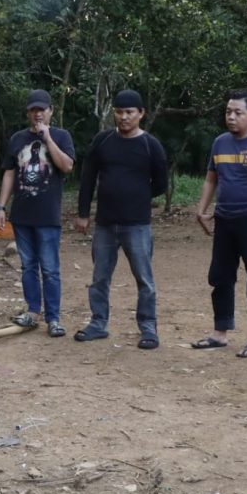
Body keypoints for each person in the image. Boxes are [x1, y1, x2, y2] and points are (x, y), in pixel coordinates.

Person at [74, 89, 168, 348]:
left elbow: (161, 183)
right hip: (105, 223)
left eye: (129, 112)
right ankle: (98, 323)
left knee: (144, 279)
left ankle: (148, 328)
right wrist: (83, 213)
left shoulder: (151, 145)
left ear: (141, 114)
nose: (124, 117)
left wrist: (137, 195)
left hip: (137, 224)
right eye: (119, 112)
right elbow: (87, 179)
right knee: (99, 277)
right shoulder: (102, 141)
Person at [192, 90, 247, 357]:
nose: (231, 117)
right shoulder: (220, 143)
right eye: (228, 112)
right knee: (220, 277)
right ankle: (220, 333)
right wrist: (202, 210)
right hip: (225, 219)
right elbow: (211, 179)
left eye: (237, 112)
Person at [0, 89, 76, 337]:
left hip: (48, 215)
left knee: (50, 268)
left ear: (51, 111)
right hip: (22, 214)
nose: (38, 114)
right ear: (28, 112)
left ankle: (53, 318)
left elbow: (67, 166)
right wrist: (1, 206)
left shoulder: (61, 136)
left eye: (42, 109)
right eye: (33, 110)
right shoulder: (18, 138)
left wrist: (47, 138)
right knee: (28, 266)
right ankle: (32, 312)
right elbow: (9, 172)